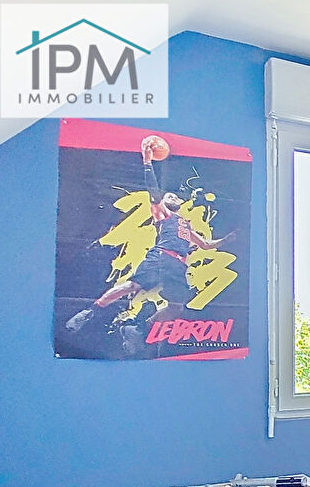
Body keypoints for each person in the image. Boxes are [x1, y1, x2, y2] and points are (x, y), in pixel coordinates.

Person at [66, 140, 233, 353]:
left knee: (176, 307)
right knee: (131, 286)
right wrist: (147, 162)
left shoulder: (185, 224)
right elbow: (153, 189)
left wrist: (228, 239)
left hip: (178, 265)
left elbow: (206, 245)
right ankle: (89, 313)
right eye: (168, 195)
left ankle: (138, 330)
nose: (172, 196)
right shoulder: (162, 213)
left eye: (175, 196)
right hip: (161, 256)